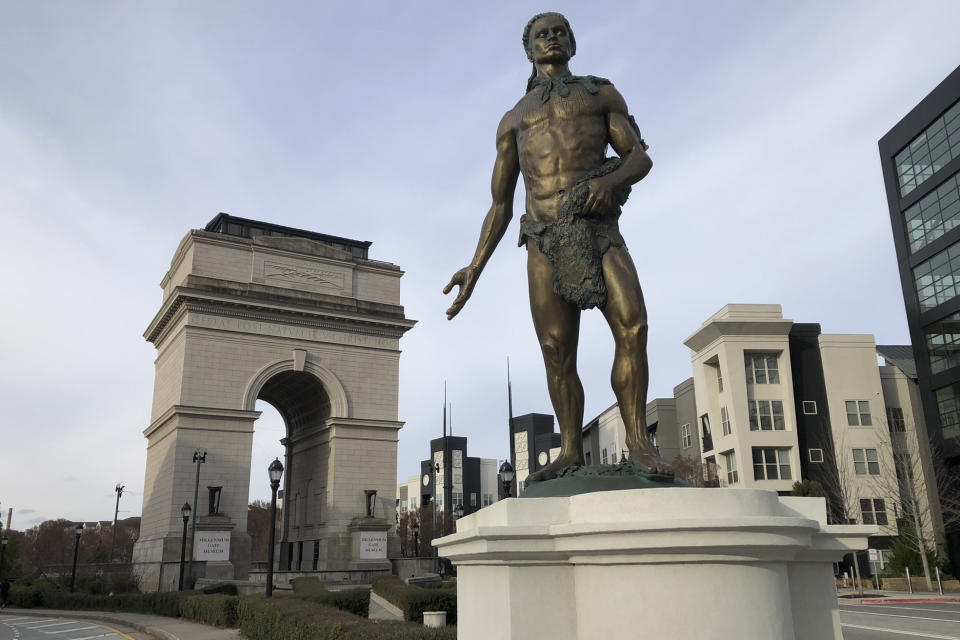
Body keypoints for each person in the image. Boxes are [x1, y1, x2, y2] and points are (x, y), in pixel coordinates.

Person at [443, 12, 671, 482]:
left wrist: (610, 181)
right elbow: (500, 205)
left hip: (598, 229)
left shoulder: (600, 94)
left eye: (558, 32)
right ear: (529, 50)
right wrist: (474, 266)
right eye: (541, 35)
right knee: (556, 349)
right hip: (544, 239)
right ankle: (570, 448)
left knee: (634, 325)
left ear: (572, 43)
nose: (551, 38)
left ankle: (638, 441)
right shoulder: (513, 119)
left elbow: (638, 157)